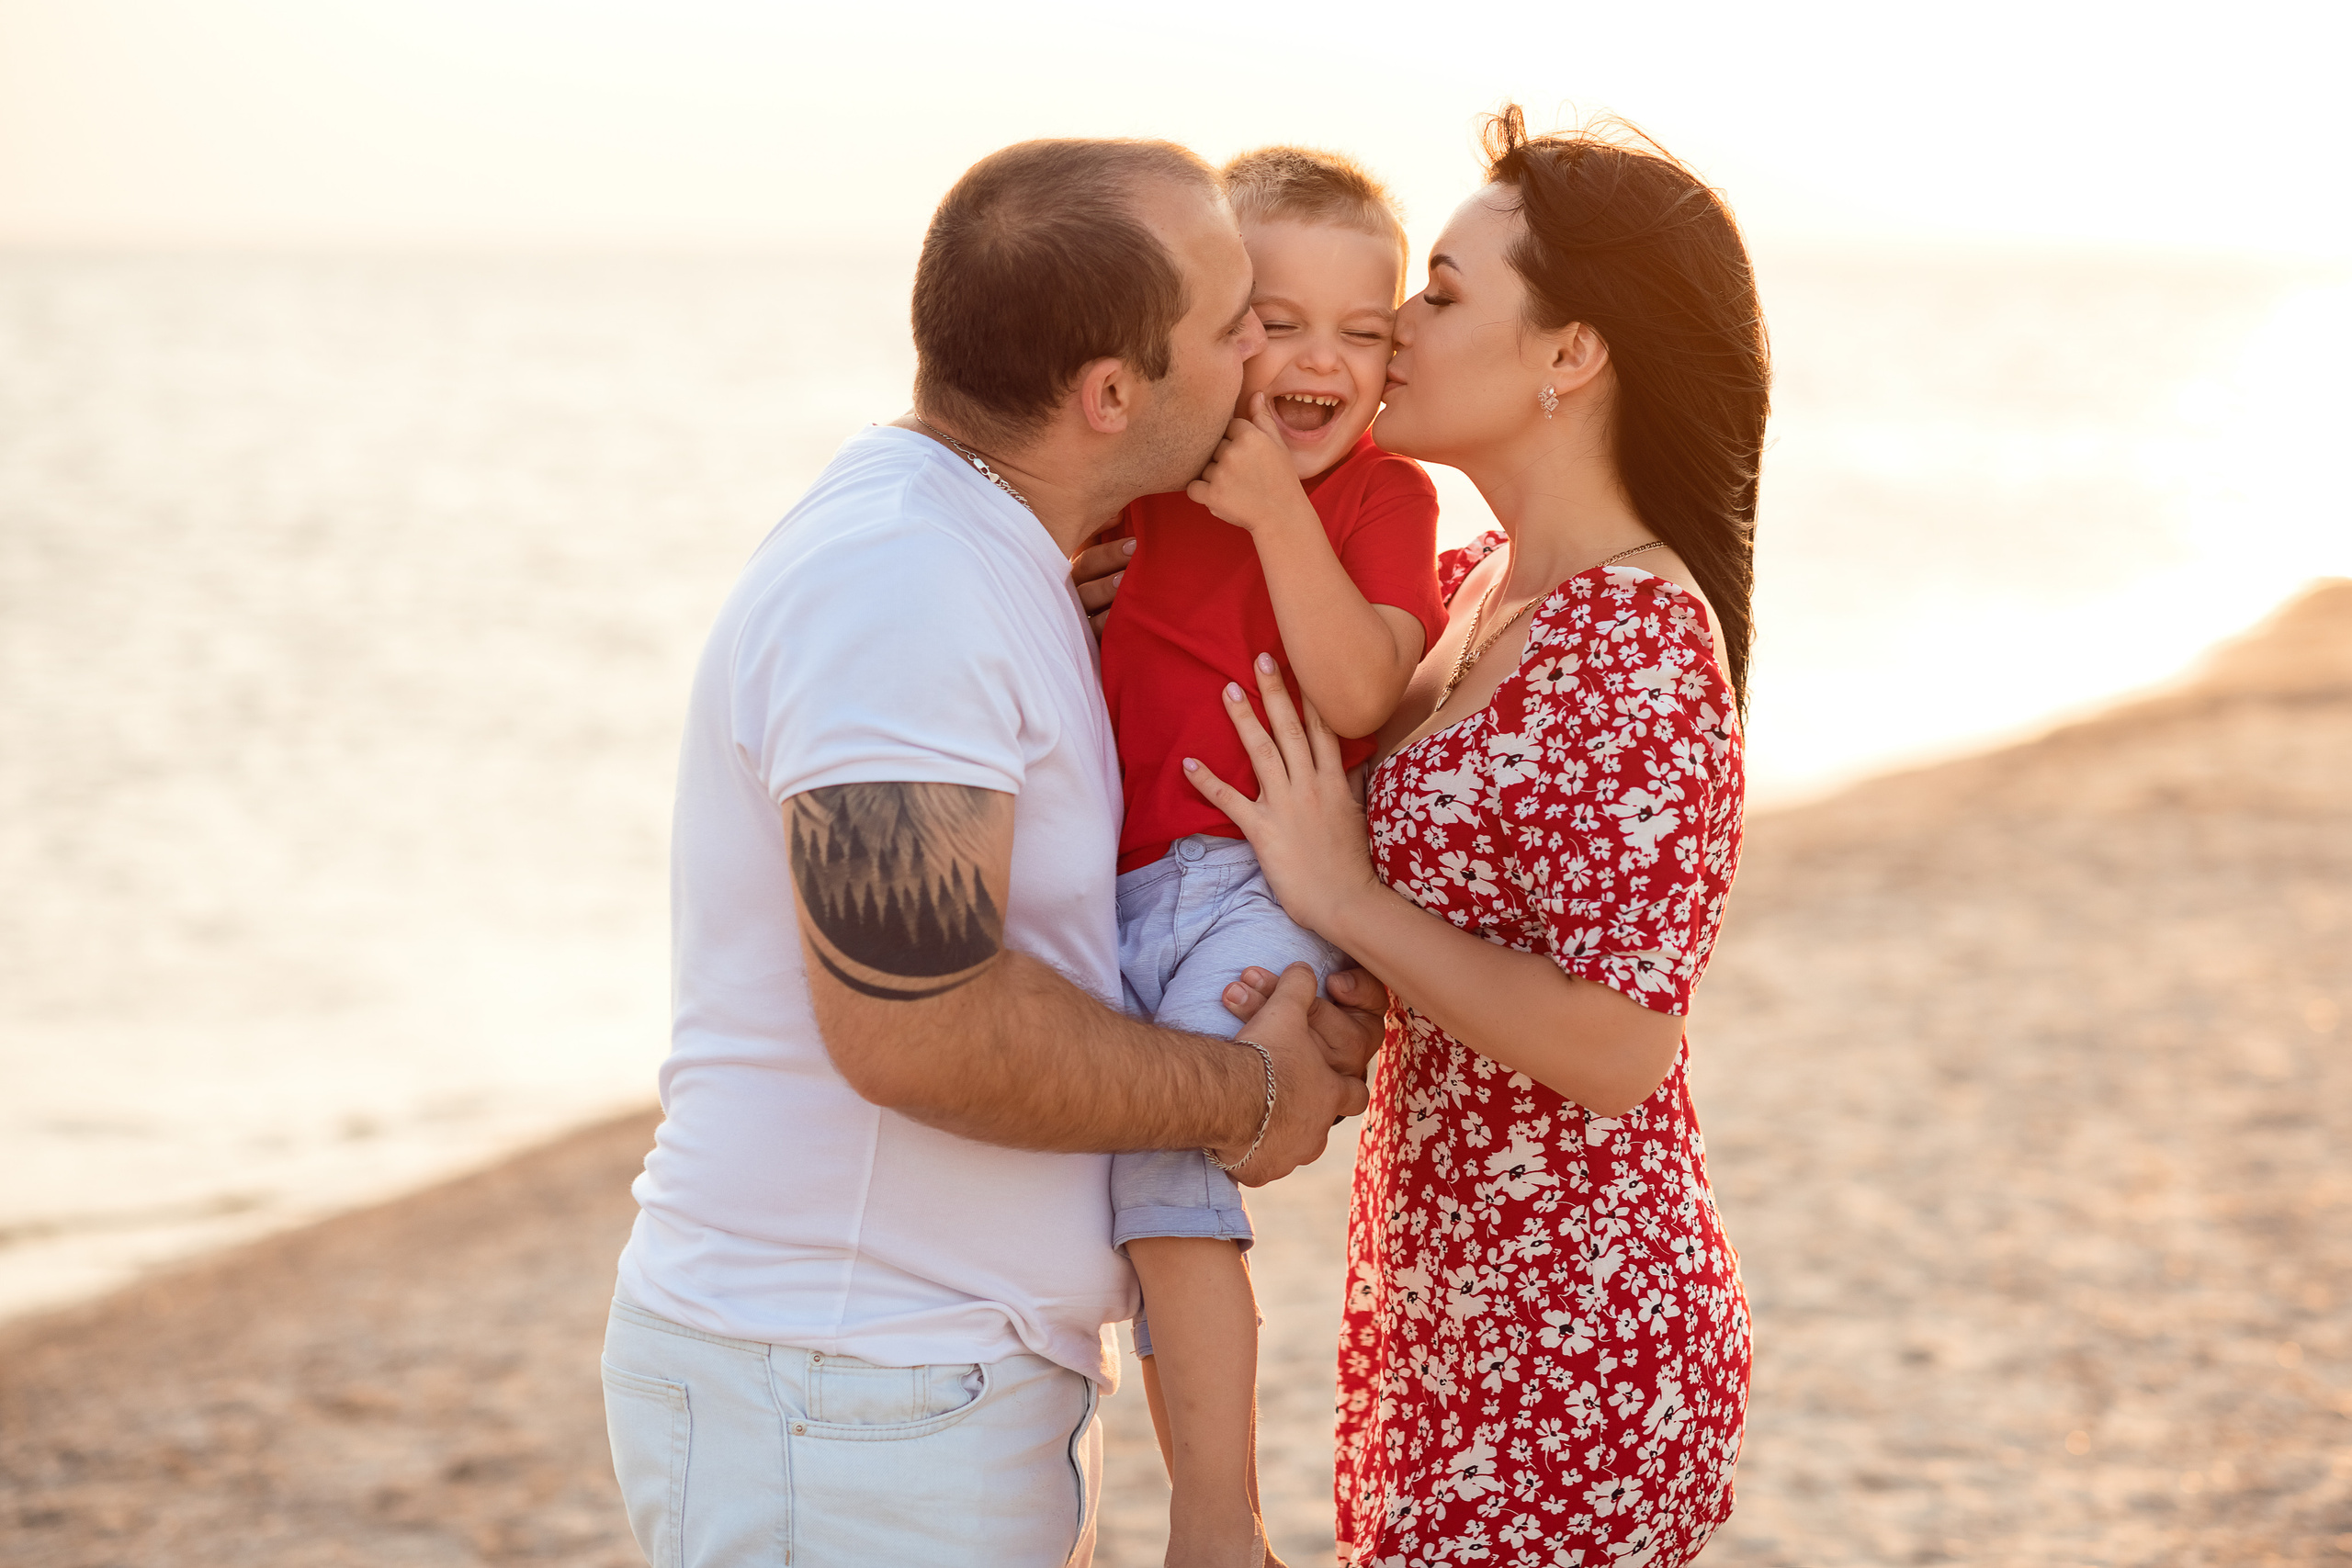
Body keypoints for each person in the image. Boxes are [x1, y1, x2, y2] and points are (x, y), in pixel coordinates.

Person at [599, 137, 1388, 1568]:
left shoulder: (1003, 555)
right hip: (840, 1392)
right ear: (1110, 396)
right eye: (1234, 327)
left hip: (902, 1387)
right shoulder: (905, 584)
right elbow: (917, 1019)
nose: (1260, 365)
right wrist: (1246, 1090)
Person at [1184, 108, 1768, 1567]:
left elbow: (1623, 1042)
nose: (1394, 331)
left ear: (1571, 354)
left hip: (1579, 1329)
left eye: (1440, 296)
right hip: (1444, 1294)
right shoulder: (1468, 586)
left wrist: (1346, 897)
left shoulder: (1638, 642)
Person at [1091, 146, 1445, 1568]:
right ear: (1214, 332)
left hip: (1254, 883)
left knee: (1174, 1168)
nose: (1320, 362)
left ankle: (1218, 1524)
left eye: (1364, 335)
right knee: (1128, 1202)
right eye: (1279, 324)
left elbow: (1363, 690)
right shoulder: (1142, 484)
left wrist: (1280, 514)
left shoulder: (1380, 501)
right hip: (1108, 894)